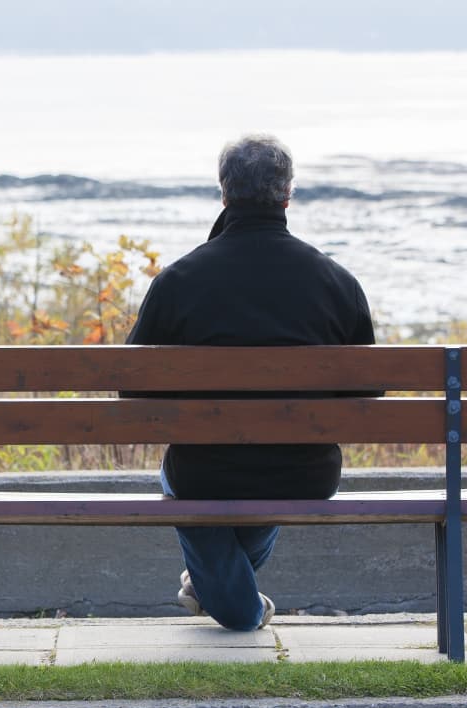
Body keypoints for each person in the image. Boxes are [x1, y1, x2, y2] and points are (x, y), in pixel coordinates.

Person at [124, 134, 376, 631]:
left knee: (183, 482)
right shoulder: (336, 283)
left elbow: (133, 392)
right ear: (288, 195)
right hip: (304, 472)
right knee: (264, 467)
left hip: (205, 472)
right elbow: (367, 397)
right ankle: (214, 587)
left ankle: (235, 604)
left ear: (223, 193)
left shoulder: (178, 282)